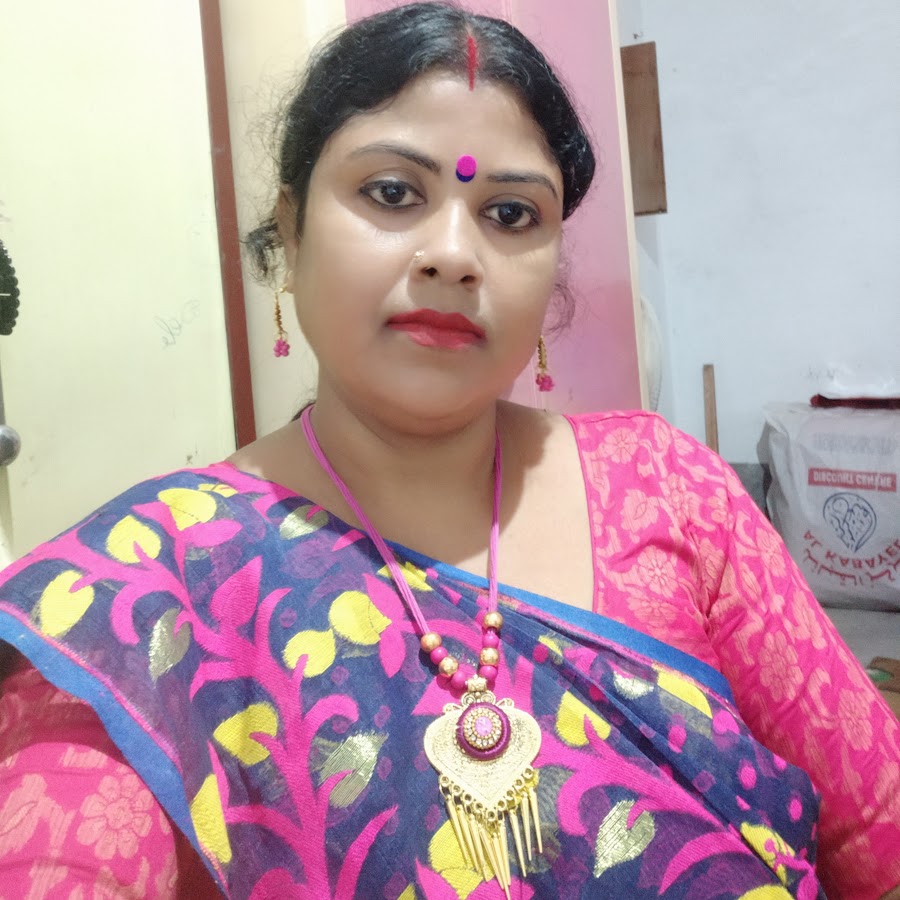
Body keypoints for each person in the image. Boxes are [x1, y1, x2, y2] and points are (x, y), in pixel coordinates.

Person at [0, 3, 898, 898]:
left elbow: (877, 828)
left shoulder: (668, 486)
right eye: (393, 193)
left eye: (510, 212)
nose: (455, 255)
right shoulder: (160, 583)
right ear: (291, 227)